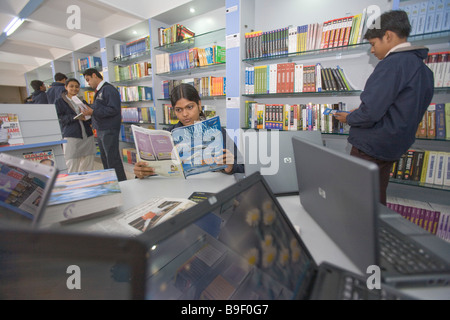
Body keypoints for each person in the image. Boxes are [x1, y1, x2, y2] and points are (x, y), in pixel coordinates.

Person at [333, 10, 434, 205]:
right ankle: (375, 232)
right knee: (375, 196)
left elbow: (371, 112)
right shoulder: (423, 70)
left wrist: (350, 118)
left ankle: (363, 234)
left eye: (373, 44)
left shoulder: (391, 64)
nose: (372, 50)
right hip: (393, 147)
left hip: (370, 148)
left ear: (388, 36)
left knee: (359, 201)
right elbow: (401, 109)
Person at [134, 83, 244, 178]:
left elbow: (242, 168)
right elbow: (157, 172)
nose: (185, 114)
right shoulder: (167, 136)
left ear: (199, 105)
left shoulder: (218, 132)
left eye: (190, 107)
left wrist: (231, 166)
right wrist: (142, 172)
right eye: (178, 110)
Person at [80, 68, 127, 182]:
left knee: (112, 158)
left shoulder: (108, 90)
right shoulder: (100, 91)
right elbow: (101, 108)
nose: (88, 83)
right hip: (101, 129)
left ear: (94, 75)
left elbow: (113, 110)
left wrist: (93, 112)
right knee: (105, 158)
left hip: (109, 128)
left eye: (88, 79)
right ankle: (111, 181)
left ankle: (120, 182)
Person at [55, 78, 96, 173]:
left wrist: (88, 117)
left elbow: (90, 115)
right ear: (66, 87)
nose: (74, 89)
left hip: (87, 135)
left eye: (77, 87)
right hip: (72, 136)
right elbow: (60, 118)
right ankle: (73, 184)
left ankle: (87, 183)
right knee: (72, 163)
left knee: (88, 163)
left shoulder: (82, 101)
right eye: (71, 86)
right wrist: (75, 117)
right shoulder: (59, 101)